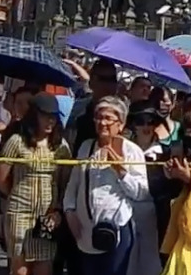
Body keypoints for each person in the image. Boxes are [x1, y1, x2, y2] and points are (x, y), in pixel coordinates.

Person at [63, 96, 148, 275]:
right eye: (99, 117)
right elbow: (74, 183)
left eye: (109, 118)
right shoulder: (86, 147)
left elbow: (141, 193)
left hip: (116, 230)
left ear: (121, 124)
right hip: (85, 232)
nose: (103, 123)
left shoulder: (132, 151)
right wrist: (69, 211)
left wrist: (121, 171)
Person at [0, 91, 70, 275]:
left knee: (44, 266)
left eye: (53, 117)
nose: (50, 121)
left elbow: (65, 182)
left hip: (47, 215)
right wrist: (15, 197)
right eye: (45, 116)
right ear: (34, 115)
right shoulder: (17, 142)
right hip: (19, 212)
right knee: (20, 268)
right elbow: (1, 177)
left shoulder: (61, 146)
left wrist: (58, 210)